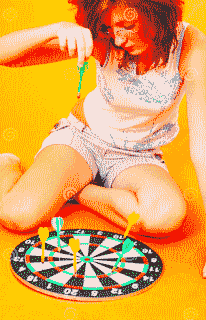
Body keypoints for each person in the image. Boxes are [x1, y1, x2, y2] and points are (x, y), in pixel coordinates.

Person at [0, 0, 205, 237]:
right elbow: (5, 56)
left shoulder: (191, 46)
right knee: (17, 215)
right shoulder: (104, 40)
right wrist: (56, 29)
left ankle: (79, 190)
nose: (118, 40)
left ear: (156, 11)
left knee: (164, 217)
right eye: (109, 29)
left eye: (128, 25)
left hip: (137, 156)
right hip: (82, 140)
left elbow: (203, 147)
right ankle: (6, 163)